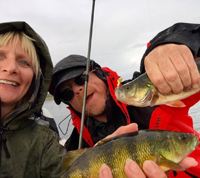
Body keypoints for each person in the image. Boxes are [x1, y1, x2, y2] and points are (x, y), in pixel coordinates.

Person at [49, 22, 200, 178]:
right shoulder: (76, 146)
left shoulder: (150, 94)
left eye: (81, 79)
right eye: (67, 94)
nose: (77, 90)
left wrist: (172, 43)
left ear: (100, 74)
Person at [0, 21, 68, 178]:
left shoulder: (45, 140)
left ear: (35, 79)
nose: (10, 68)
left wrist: (97, 158)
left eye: (24, 62)